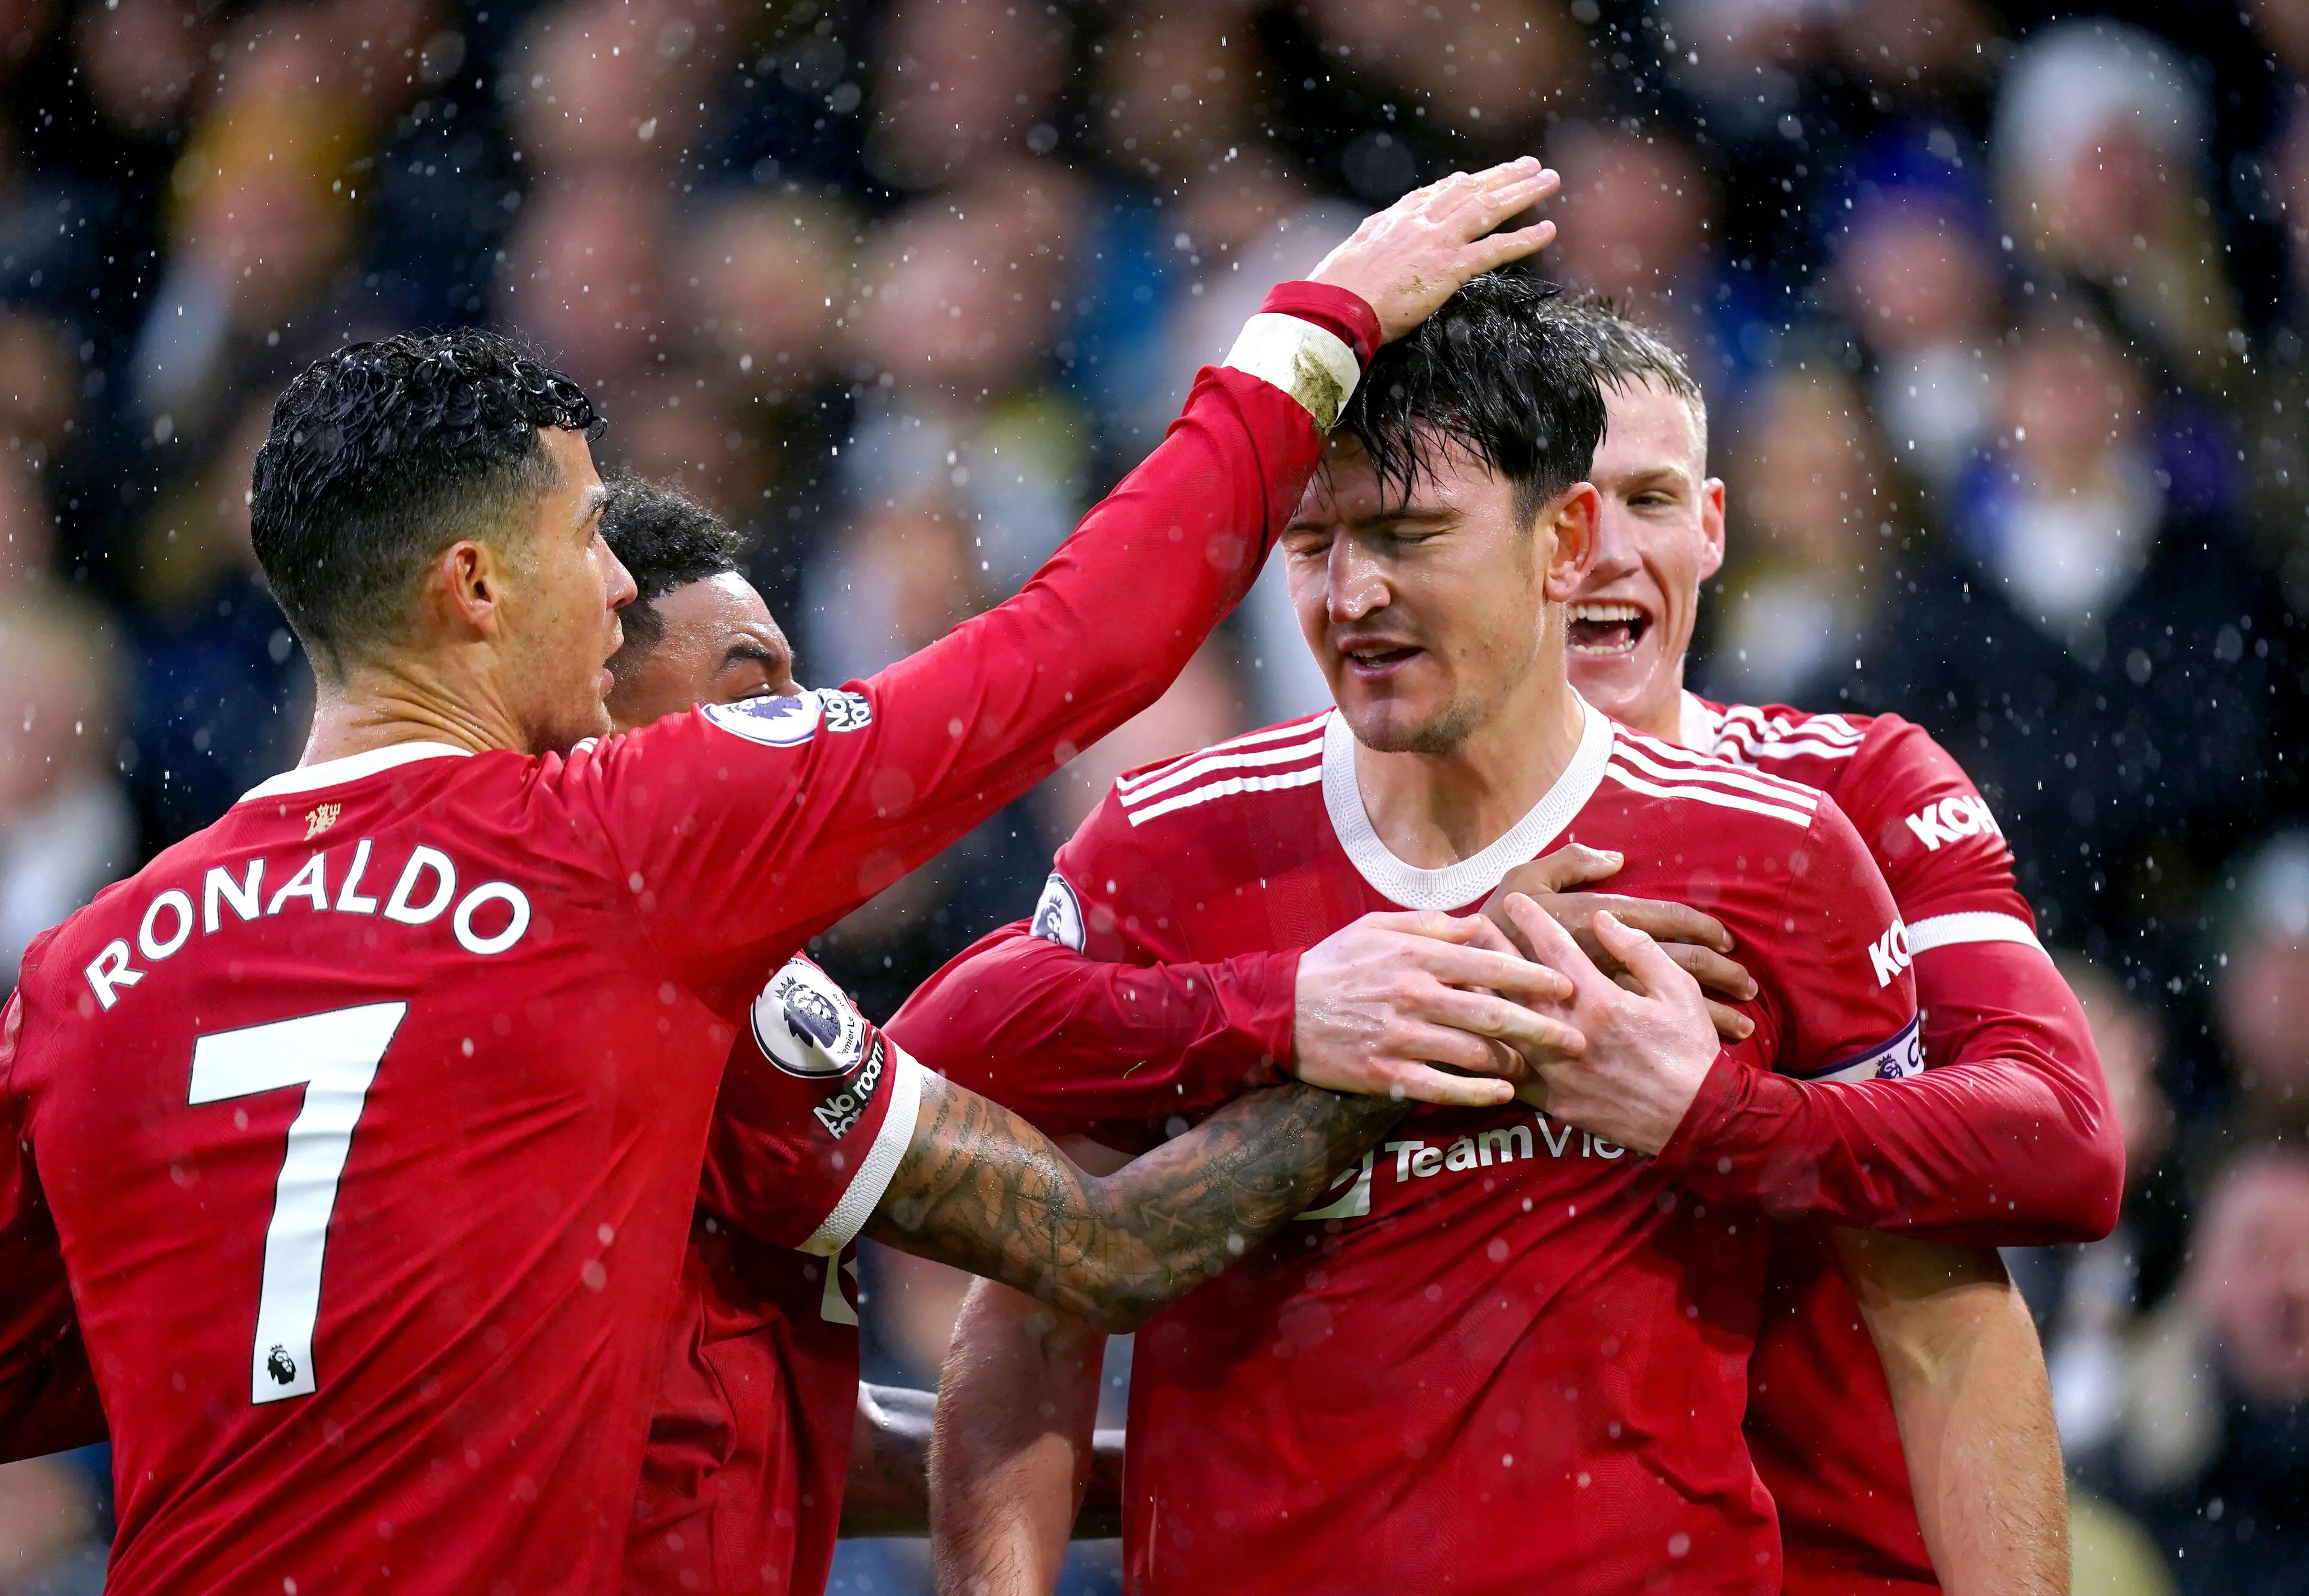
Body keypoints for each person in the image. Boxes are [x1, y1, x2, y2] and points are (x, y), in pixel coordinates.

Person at [0, 159, 1569, 1596]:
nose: (615, 583)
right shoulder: (613, 847)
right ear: (474, 586)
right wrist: (1315, 324)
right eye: (582, 542)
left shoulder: (89, 969)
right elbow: (1075, 647)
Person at [904, 295, 2115, 1595]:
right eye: (1315, 542)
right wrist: (1305, 1005)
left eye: (1411, 535)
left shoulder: (1797, 840)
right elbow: (986, 1204)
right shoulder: (1170, 844)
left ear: (1564, 541)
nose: (1354, 589)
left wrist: (1714, 1113)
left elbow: (1984, 1267)